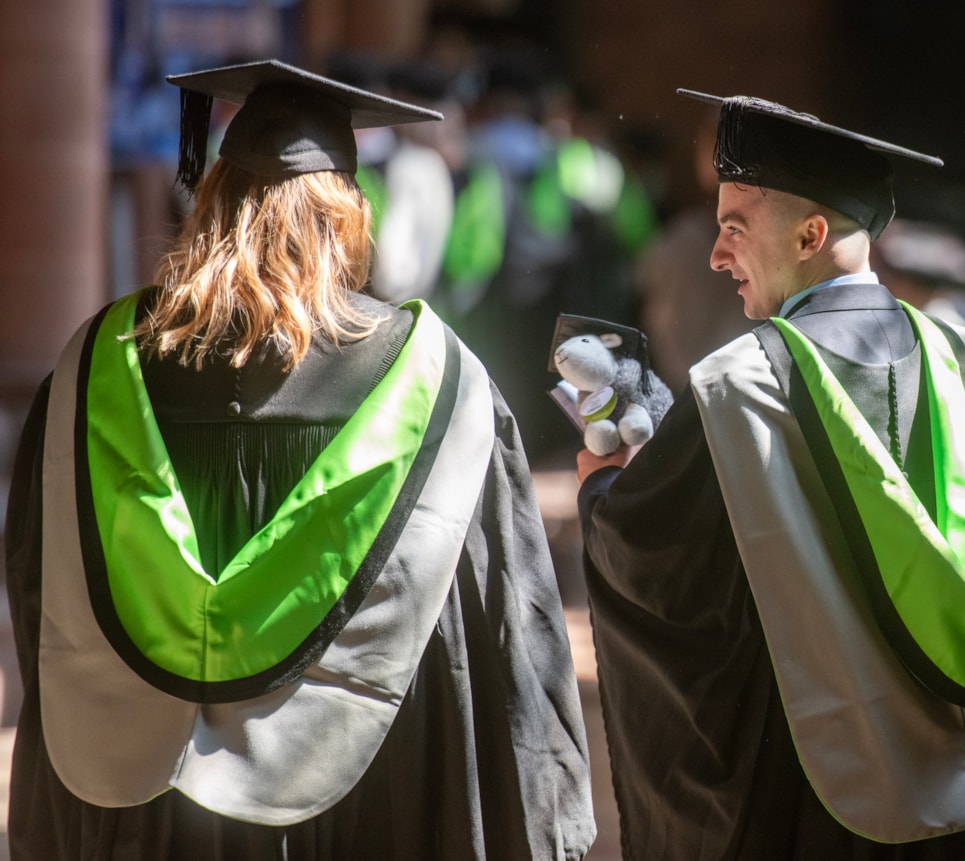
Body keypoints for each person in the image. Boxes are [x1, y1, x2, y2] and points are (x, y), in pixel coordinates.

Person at [5, 59, 595, 860]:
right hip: (367, 779)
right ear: (349, 213)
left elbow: (44, 582)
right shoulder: (433, 376)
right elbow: (502, 624)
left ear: (208, 200)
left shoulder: (99, 366)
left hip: (149, 791)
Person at [575, 89, 965, 859]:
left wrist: (607, 487)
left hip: (829, 817)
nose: (715, 256)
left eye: (733, 229)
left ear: (811, 233)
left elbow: (659, 576)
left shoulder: (736, 389)